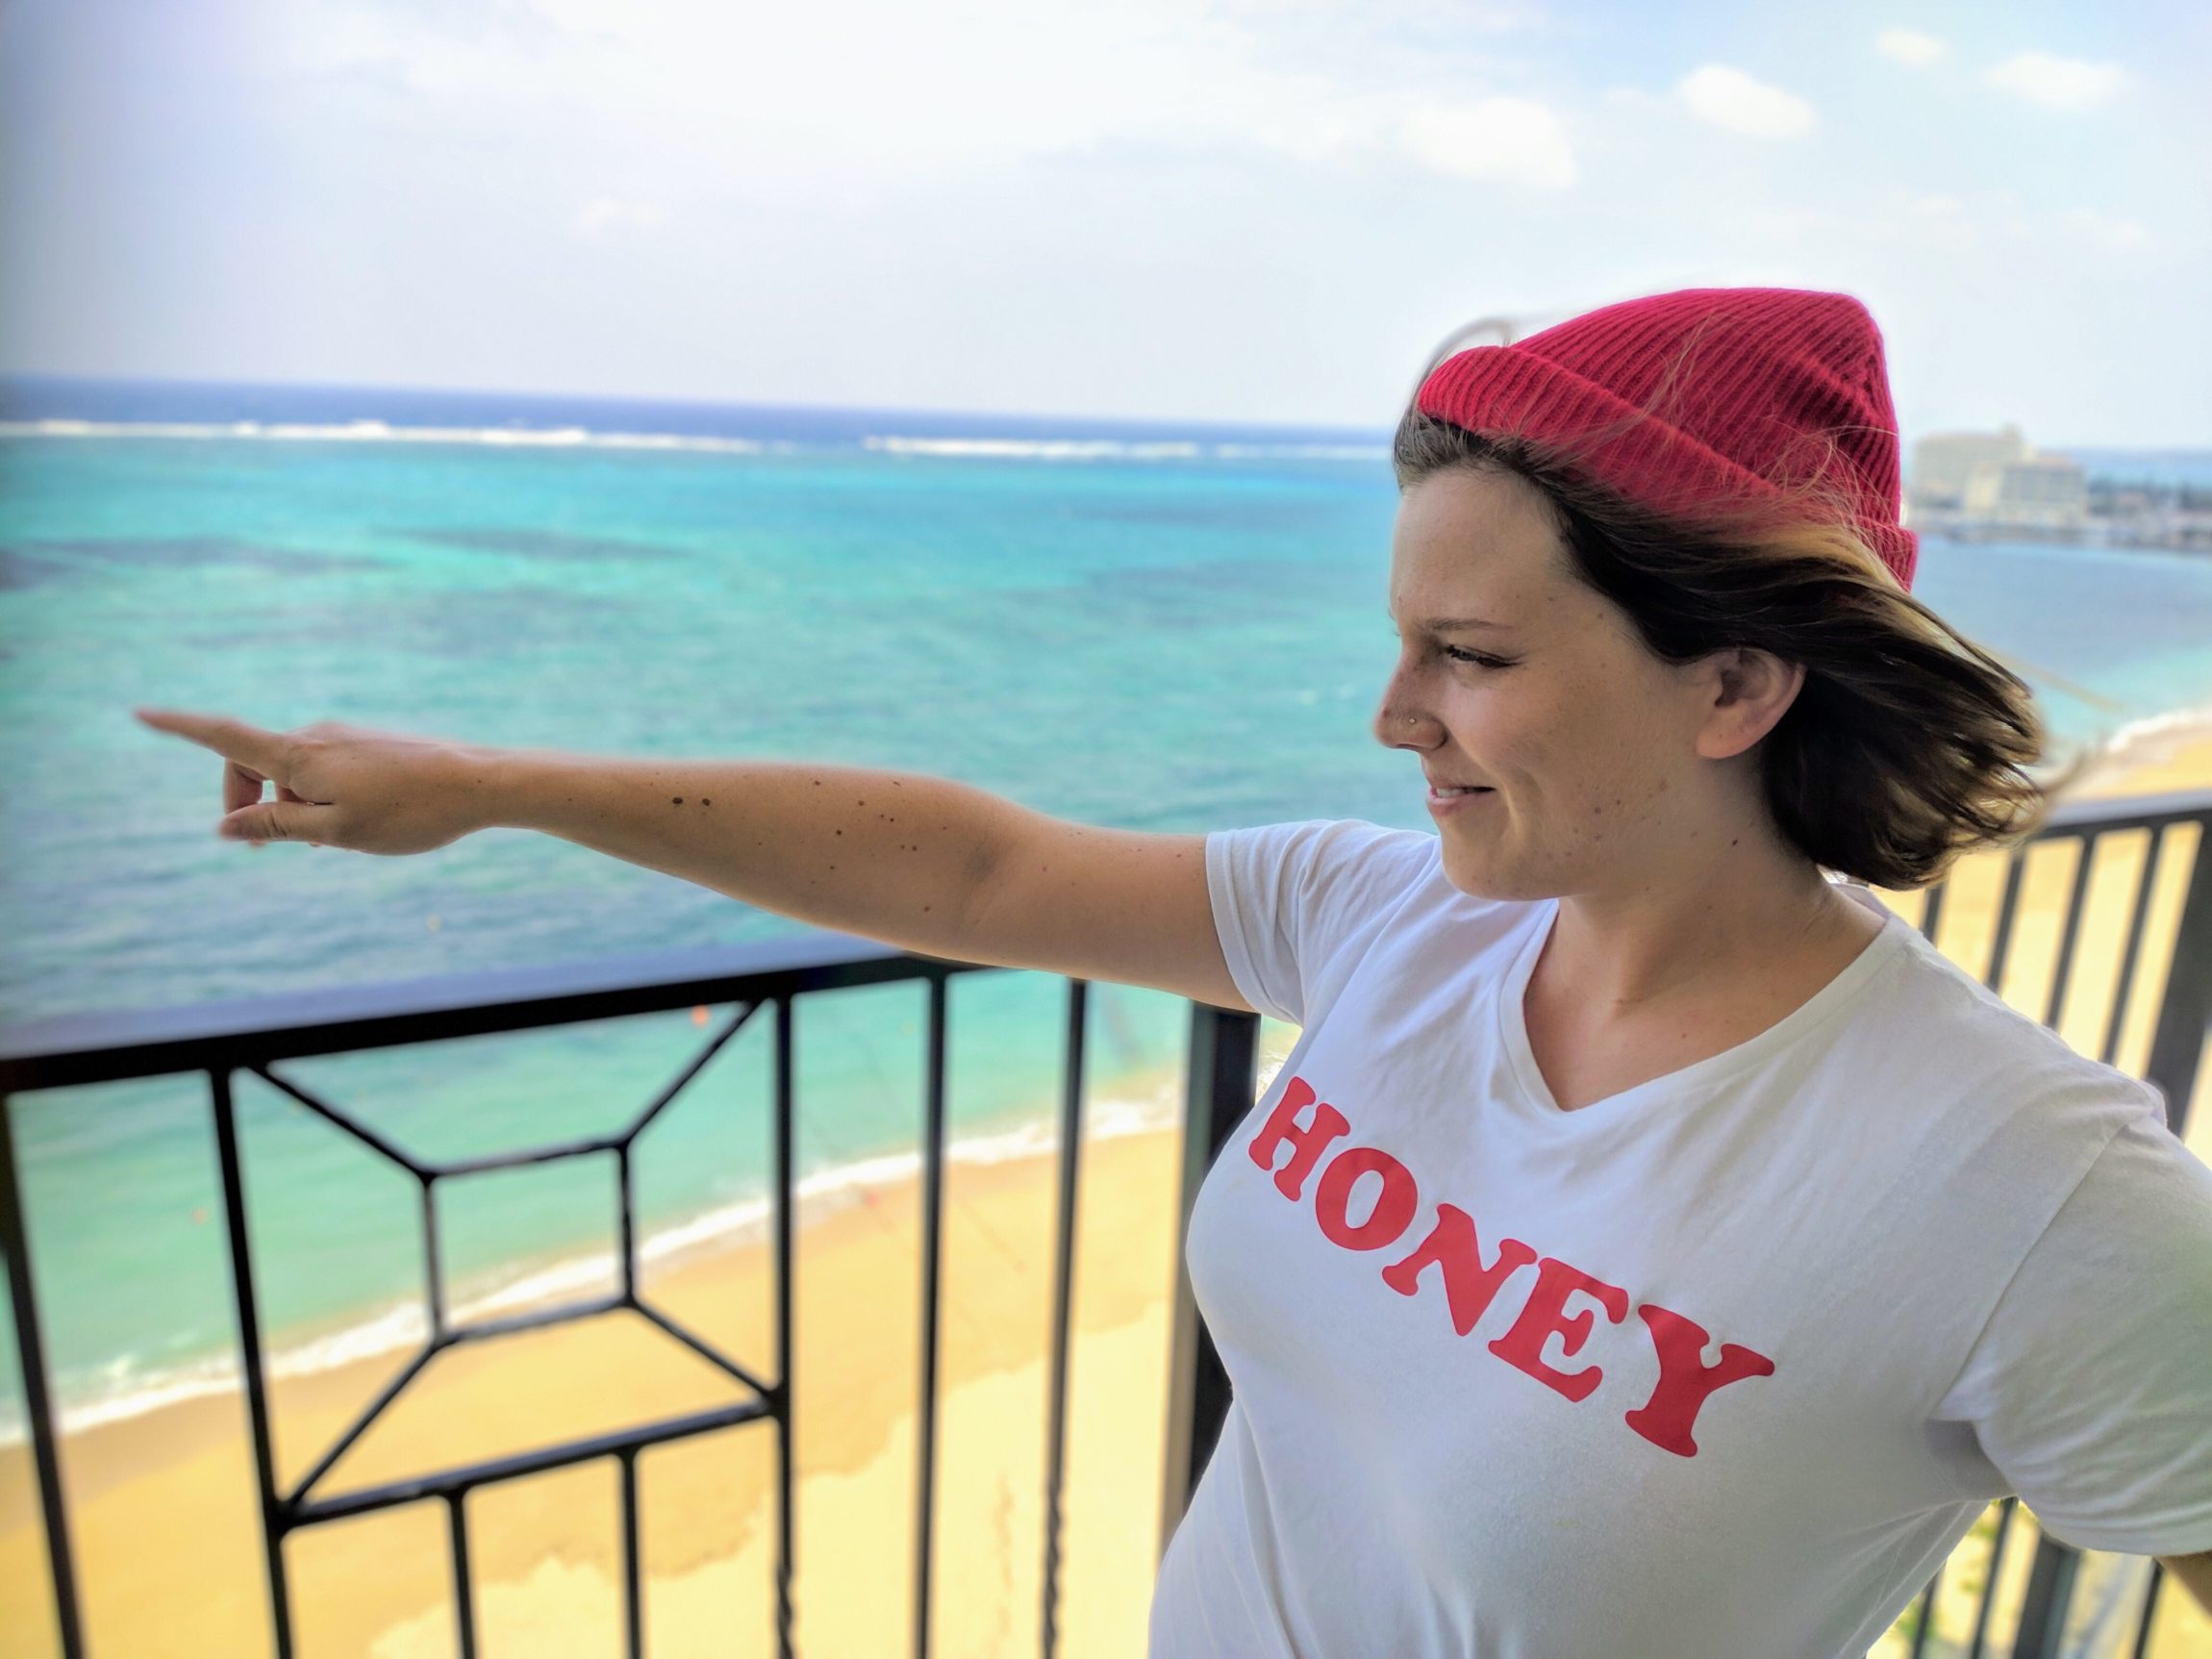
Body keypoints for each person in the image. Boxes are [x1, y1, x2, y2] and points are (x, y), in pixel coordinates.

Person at [134, 286, 2212, 1655]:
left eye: (1469, 659)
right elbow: (971, 857)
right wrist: (487, 783)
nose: (1391, 713)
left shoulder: (2030, 1188)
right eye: (1404, 638)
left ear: (1734, 683)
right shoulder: (1392, 925)